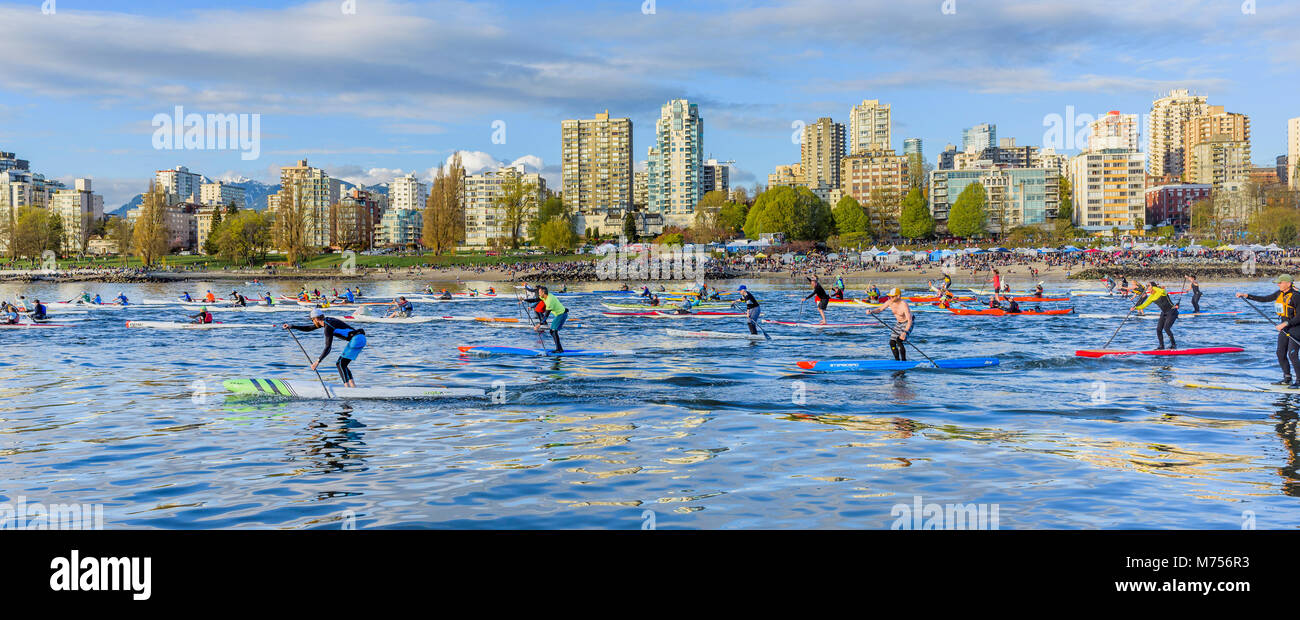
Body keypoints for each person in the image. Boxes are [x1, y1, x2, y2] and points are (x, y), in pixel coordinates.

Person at [1237, 275, 1300, 386]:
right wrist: (1246, 296)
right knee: (1280, 353)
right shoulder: (1279, 293)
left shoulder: (1296, 296)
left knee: (1292, 354)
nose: (1278, 284)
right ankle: (1287, 378)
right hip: (1285, 328)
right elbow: (1265, 299)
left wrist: (1286, 323)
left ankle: (1299, 381)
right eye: (1278, 283)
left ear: (1288, 284)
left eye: (1280, 282)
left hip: (1296, 328)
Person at [283, 309, 366, 388]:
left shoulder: (328, 327)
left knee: (340, 364)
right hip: (360, 338)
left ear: (315, 319)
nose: (312, 322)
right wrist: (292, 326)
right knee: (342, 364)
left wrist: (317, 362)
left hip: (356, 339)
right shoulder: (328, 320)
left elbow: (328, 348)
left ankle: (347, 389)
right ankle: (353, 387)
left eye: (312, 320)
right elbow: (309, 328)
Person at [866, 288, 914, 362]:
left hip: (908, 323)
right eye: (890, 296)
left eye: (892, 296)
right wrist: (871, 311)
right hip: (899, 323)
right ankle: (897, 361)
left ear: (898, 296)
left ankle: (904, 361)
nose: (890, 298)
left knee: (899, 340)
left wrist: (905, 332)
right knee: (892, 342)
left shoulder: (904, 305)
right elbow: (880, 309)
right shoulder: (889, 302)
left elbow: (910, 320)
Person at [1134, 281, 1179, 350]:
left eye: (1148, 286)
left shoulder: (1162, 292)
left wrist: (1154, 287)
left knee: (1166, 328)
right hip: (1164, 313)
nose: (1147, 287)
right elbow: (1144, 305)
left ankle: (1173, 345)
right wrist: (1135, 308)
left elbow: (1161, 290)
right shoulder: (1151, 297)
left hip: (1172, 311)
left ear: (1153, 287)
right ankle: (1161, 346)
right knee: (1158, 329)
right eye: (1147, 286)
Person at [535, 286, 568, 353]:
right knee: (552, 331)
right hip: (560, 314)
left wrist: (539, 325)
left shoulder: (549, 300)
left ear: (543, 292)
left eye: (539, 292)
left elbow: (546, 316)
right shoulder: (545, 296)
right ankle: (559, 349)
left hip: (561, 315)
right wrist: (524, 300)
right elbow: (535, 300)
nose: (538, 293)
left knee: (553, 331)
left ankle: (559, 349)